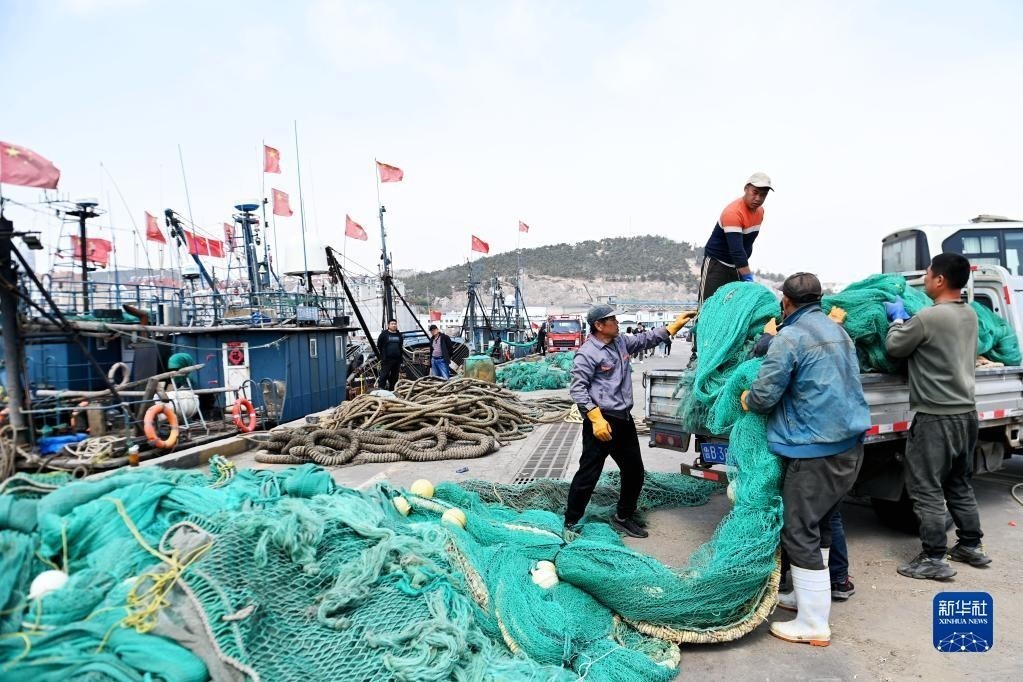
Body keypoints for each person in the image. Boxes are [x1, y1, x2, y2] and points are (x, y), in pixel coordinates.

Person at [741, 272, 869, 647]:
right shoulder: (838, 330)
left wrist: (748, 397)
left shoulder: (790, 337)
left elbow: (765, 396)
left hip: (815, 450)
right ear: (819, 298)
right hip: (849, 445)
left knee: (798, 529)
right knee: (822, 523)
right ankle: (802, 596)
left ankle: (814, 623)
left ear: (786, 301)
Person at [884, 253, 991, 580]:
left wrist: (897, 320)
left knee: (926, 487)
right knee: (958, 482)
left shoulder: (928, 317)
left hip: (935, 417)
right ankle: (970, 545)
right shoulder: (969, 314)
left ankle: (933, 558)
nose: (925, 280)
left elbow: (894, 347)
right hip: (966, 414)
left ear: (940, 280)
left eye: (928, 274)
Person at [565, 304, 695, 538]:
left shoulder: (621, 342)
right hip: (601, 422)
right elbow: (578, 389)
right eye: (612, 319)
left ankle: (623, 516)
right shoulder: (587, 353)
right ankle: (571, 521)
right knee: (588, 474)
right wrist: (595, 418)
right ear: (599, 325)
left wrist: (673, 326)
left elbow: (646, 339)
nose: (617, 323)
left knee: (634, 471)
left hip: (623, 420)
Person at [692, 172, 773, 357]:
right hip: (717, 263)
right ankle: (697, 352)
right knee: (708, 307)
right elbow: (736, 251)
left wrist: (743, 271)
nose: (758, 198)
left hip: (737, 266)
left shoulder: (760, 213)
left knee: (734, 308)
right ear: (746, 189)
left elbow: (747, 244)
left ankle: (727, 348)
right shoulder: (733, 213)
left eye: (763, 195)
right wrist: (748, 278)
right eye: (755, 192)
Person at [375, 319, 403, 390]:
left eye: (395, 324)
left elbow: (400, 346)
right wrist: (383, 355)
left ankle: (392, 390)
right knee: (384, 376)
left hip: (397, 360)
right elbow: (379, 345)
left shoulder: (399, 335)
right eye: (392, 324)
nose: (394, 325)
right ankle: (381, 389)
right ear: (388, 325)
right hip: (387, 360)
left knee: (394, 377)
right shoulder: (384, 334)